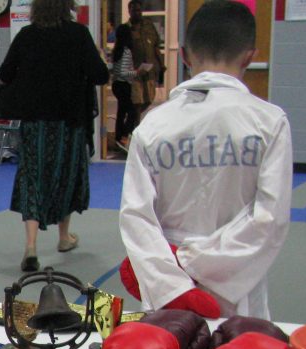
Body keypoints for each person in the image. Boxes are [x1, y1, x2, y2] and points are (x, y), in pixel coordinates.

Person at [119, 0, 293, 321]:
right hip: (237, 278)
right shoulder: (269, 122)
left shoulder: (153, 125)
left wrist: (176, 274)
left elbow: (136, 217)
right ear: (250, 57)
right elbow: (270, 219)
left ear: (185, 56)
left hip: (170, 275)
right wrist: (197, 263)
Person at [0, 0, 109, 272]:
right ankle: (64, 237)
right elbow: (100, 75)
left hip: (35, 122)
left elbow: (5, 73)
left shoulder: (27, 35)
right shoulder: (78, 34)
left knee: (32, 178)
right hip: (70, 122)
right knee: (65, 176)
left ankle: (31, 246)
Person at [121, 0, 164, 115]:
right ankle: (133, 123)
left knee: (149, 99)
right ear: (129, 11)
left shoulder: (149, 26)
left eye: (139, 10)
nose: (137, 13)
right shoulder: (126, 29)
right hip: (135, 73)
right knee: (137, 103)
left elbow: (156, 47)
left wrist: (161, 66)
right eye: (134, 11)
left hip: (149, 71)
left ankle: (133, 120)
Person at [109, 24, 139, 153]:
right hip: (124, 85)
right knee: (132, 112)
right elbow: (123, 72)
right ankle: (124, 135)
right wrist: (136, 72)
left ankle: (118, 137)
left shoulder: (117, 51)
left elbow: (115, 70)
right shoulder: (126, 52)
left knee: (121, 112)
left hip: (116, 84)